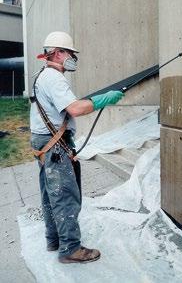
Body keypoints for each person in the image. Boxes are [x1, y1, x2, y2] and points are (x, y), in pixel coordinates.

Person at [30, 31, 124, 264]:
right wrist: (104, 100)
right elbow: (75, 109)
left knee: (51, 194)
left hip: (46, 143)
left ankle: (54, 240)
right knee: (65, 196)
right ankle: (70, 249)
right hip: (53, 146)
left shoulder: (42, 75)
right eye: (70, 53)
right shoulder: (53, 77)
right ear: (58, 53)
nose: (73, 57)